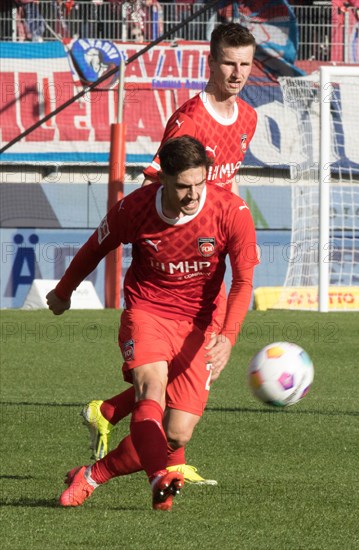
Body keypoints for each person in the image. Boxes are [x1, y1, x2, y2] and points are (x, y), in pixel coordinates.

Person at [81, 22, 258, 486]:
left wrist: (232, 229)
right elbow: (154, 184)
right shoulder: (188, 120)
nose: (237, 73)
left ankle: (110, 413)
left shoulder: (248, 118)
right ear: (211, 63)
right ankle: (165, 466)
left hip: (212, 252)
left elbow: (225, 185)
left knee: (192, 368)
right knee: (187, 371)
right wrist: (160, 242)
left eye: (245, 64)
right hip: (180, 258)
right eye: (228, 63)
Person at [47, 135, 259, 511]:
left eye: (199, 183)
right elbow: (95, 247)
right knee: (151, 390)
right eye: (182, 186)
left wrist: (228, 337)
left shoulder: (232, 212)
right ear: (162, 179)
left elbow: (243, 281)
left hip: (204, 323)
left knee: (176, 433)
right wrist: (63, 292)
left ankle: (92, 475)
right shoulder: (135, 209)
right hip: (149, 310)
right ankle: (159, 477)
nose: (193, 195)